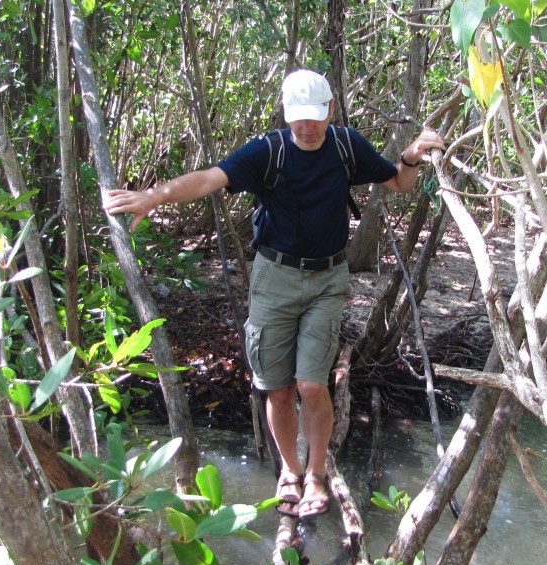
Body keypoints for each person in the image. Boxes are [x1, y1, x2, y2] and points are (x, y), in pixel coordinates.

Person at [104, 69, 444, 518]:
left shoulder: (346, 146)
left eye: (315, 116)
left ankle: (317, 474)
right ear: (286, 114)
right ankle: (289, 470)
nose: (306, 127)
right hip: (273, 279)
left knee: (311, 384)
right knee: (277, 389)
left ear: (331, 110)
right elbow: (210, 178)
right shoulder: (269, 151)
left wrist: (410, 155)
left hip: (327, 280)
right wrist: (155, 196)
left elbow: (398, 182)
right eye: (297, 117)